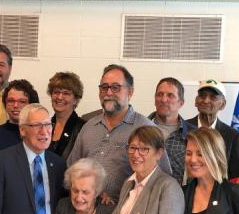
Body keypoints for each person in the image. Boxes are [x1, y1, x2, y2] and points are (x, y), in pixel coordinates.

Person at [67, 64, 170, 203]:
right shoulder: (88, 127)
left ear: (130, 92)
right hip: (86, 213)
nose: (108, 92)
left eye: (115, 87)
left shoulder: (147, 129)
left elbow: (164, 179)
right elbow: (71, 170)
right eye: (104, 87)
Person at [186, 79, 239, 179]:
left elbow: (235, 174)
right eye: (202, 96)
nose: (206, 100)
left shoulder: (232, 135)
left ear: (223, 104)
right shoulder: (183, 128)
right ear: (196, 101)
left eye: (213, 97)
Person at [148, 77, 195, 183]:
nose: (163, 99)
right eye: (160, 94)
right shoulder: (141, 129)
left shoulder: (193, 134)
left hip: (180, 196)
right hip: (145, 196)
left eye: (170, 95)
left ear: (181, 103)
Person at [0, 79, 39, 151]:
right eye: (11, 101)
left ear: (31, 105)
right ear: (5, 104)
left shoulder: (40, 133)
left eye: (22, 101)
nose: (15, 105)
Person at [47, 71, 85, 159]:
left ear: (76, 99)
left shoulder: (83, 128)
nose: (59, 97)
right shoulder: (45, 125)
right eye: (56, 92)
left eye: (66, 93)